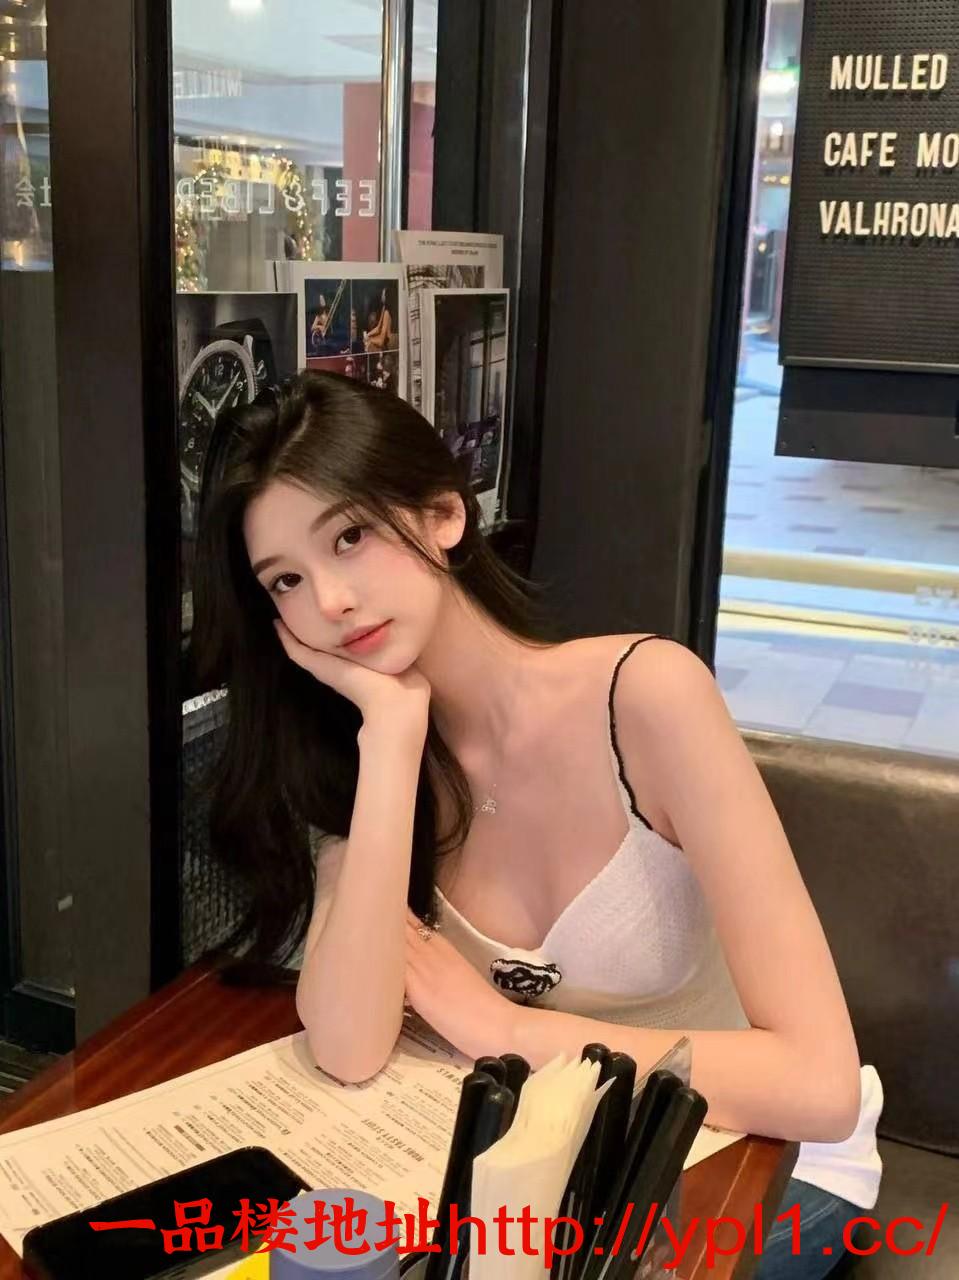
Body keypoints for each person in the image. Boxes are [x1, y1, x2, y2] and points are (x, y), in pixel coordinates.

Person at [191, 371, 883, 1279]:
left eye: (350, 537)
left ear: (444, 514)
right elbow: (350, 1046)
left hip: (756, 1164)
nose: (329, 601)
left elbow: (820, 1086)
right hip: (566, 1180)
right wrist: (392, 739)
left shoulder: (647, 697)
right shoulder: (362, 751)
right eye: (285, 579)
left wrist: (499, 1028)